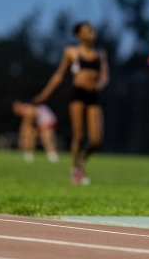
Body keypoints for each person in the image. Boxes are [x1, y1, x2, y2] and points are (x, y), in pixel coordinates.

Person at [32, 22, 107, 184]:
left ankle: (81, 161)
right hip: (78, 96)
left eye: (92, 30)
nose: (91, 33)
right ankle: (75, 171)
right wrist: (44, 95)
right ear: (78, 35)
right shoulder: (71, 52)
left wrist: (98, 85)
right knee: (78, 136)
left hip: (93, 96)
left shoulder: (99, 54)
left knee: (95, 140)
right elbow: (59, 75)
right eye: (86, 31)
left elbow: (104, 76)